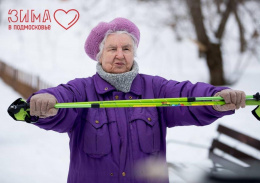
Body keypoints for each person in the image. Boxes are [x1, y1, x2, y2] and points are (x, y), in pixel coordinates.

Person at [28, 17, 245, 183]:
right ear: (100, 55)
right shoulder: (82, 90)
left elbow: (187, 96)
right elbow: (61, 98)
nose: (120, 55)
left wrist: (216, 98)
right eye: (112, 49)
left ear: (134, 53)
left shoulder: (155, 89)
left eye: (127, 49)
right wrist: (45, 101)